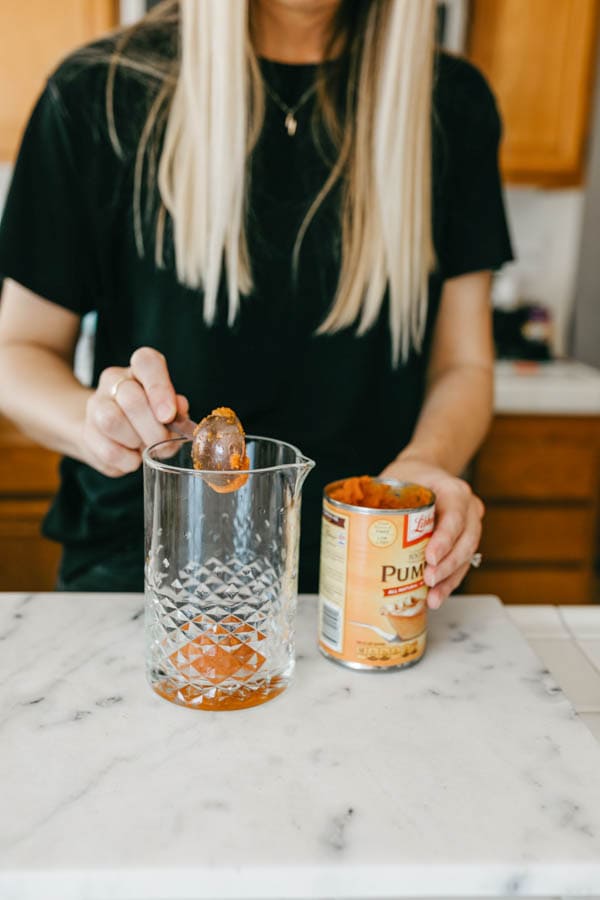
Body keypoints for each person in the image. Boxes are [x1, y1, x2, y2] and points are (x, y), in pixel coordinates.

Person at [0, 0, 512, 605]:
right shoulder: (99, 93)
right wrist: (93, 425)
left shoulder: (451, 104)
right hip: (138, 579)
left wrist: (423, 466)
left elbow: (465, 366)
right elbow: (18, 352)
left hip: (365, 580)